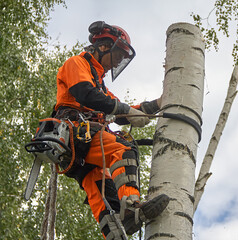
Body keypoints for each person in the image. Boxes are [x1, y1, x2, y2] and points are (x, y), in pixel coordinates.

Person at [53, 21, 169, 239]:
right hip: (76, 132)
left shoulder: (99, 84)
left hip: (80, 149)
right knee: (123, 149)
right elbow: (85, 94)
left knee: (103, 191)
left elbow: (122, 112)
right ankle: (132, 207)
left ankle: (115, 234)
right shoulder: (77, 64)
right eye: (117, 56)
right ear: (104, 46)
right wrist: (124, 110)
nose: (116, 62)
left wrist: (157, 104)